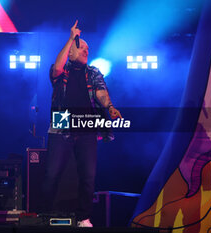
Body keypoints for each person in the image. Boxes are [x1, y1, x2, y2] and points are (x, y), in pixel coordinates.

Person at [42, 20, 122, 227]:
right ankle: (47, 215)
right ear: (71, 52)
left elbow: (101, 92)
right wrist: (71, 39)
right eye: (82, 48)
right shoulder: (62, 70)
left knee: (88, 175)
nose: (87, 50)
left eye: (88, 48)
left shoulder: (93, 72)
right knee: (52, 174)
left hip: (87, 126)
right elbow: (57, 68)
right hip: (62, 123)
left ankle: (83, 217)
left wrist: (110, 107)